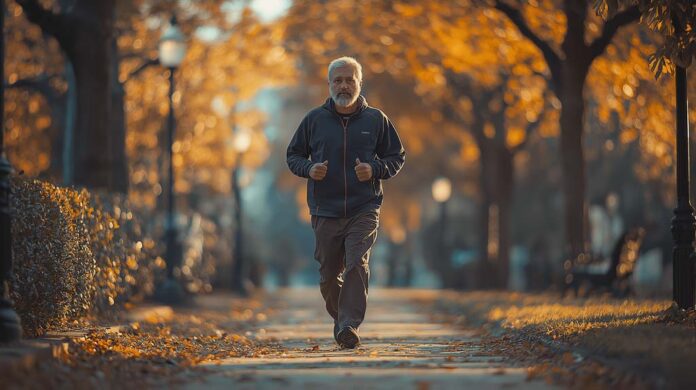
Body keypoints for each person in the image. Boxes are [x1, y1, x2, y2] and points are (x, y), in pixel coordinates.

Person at [286, 56, 406, 349]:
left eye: (349, 79)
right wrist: (309, 169)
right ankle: (342, 321)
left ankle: (349, 325)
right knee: (328, 275)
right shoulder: (314, 120)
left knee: (355, 264)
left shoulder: (376, 119)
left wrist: (374, 169)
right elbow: (293, 156)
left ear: (359, 82)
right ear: (329, 84)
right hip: (324, 209)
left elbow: (396, 157)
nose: (343, 85)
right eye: (337, 80)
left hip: (364, 207)